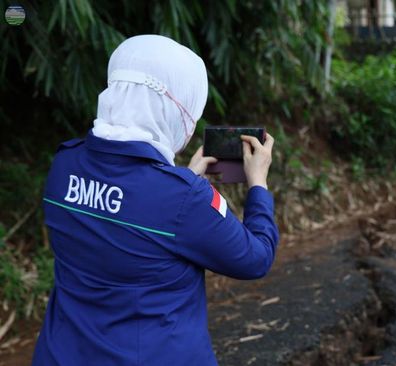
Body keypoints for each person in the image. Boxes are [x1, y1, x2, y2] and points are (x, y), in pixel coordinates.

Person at [32, 35, 280, 365]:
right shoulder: (183, 198)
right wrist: (258, 183)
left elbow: (126, 216)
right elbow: (255, 258)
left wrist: (181, 183)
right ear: (171, 110)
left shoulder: (64, 163)